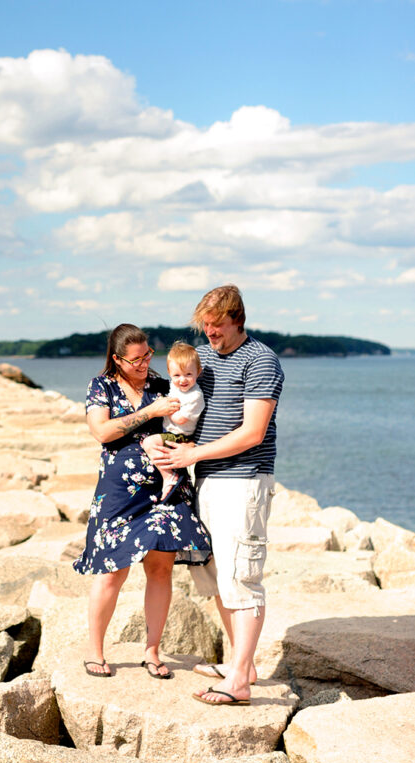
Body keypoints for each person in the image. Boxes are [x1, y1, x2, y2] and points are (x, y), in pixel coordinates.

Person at [146, 286, 284, 706]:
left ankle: (239, 682)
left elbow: (253, 432)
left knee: (242, 578)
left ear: (238, 319)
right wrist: (156, 441)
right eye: (205, 325)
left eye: (218, 325)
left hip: (244, 481)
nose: (210, 333)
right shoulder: (204, 361)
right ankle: (244, 667)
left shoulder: (262, 361)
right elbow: (181, 402)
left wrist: (193, 454)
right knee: (220, 578)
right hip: (207, 480)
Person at [73, 323, 212, 679]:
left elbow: (188, 423)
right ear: (118, 360)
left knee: (161, 569)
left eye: (148, 354)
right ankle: (95, 651)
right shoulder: (101, 386)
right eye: (136, 359)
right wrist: (149, 414)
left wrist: (192, 448)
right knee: (112, 572)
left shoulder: (160, 383)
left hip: (166, 489)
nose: (144, 363)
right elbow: (102, 432)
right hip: (120, 492)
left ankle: (152, 652)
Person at [158, 341, 205, 502]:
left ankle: (168, 477)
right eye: (177, 375)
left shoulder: (195, 396)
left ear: (198, 372)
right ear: (169, 373)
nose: (182, 380)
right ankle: (174, 474)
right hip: (169, 432)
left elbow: (180, 418)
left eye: (188, 374)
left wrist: (165, 407)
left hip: (181, 435)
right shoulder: (174, 386)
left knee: (149, 443)